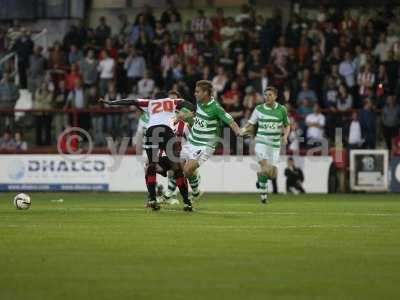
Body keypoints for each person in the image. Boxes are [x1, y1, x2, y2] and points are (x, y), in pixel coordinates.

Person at [101, 91, 194, 212]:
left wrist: (110, 102)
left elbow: (130, 101)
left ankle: (152, 199)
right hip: (166, 131)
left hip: (152, 131)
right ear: (166, 97)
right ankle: (187, 202)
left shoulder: (150, 103)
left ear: (155, 98)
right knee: (176, 167)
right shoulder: (172, 101)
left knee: (151, 165)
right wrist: (192, 111)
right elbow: (188, 105)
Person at [178, 80, 241, 202]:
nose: (195, 94)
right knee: (178, 167)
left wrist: (238, 131)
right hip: (192, 140)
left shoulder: (216, 108)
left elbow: (230, 120)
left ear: (206, 93)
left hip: (205, 145)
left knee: (186, 170)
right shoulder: (199, 102)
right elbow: (196, 114)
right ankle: (196, 192)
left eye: (197, 92)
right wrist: (185, 117)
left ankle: (188, 184)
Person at [240, 86, 290, 203]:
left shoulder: (282, 109)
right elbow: (250, 123)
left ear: (275, 96)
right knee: (266, 168)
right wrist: (242, 130)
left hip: (275, 145)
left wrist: (285, 136)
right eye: (265, 95)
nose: (267, 97)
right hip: (261, 142)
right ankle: (264, 197)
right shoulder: (258, 109)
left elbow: (287, 124)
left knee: (272, 174)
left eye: (270, 95)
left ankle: (260, 177)